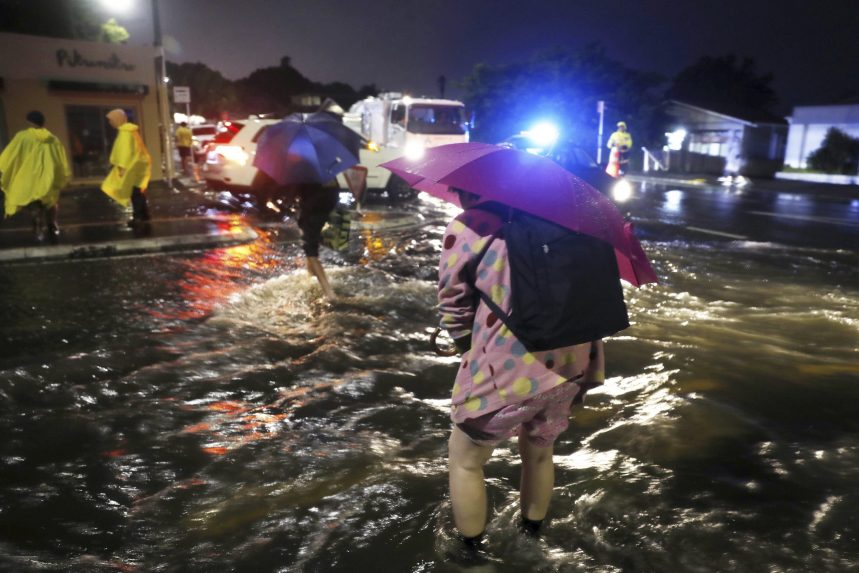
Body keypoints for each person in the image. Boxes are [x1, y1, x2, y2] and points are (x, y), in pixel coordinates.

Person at [438, 190, 607, 555]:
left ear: (472, 185)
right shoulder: (567, 222)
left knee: (465, 460)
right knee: (540, 451)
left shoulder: (471, 224)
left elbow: (453, 302)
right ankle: (531, 537)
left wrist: (466, 346)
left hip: (506, 367)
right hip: (568, 363)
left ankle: (471, 554)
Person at [0, 110, 70, 243]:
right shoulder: (53, 139)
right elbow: (59, 158)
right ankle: (52, 224)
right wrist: (61, 175)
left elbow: (11, 154)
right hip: (48, 177)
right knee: (51, 201)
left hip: (29, 178)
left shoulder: (22, 136)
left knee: (33, 203)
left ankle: (37, 226)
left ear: (29, 122)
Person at [101, 109, 152, 228]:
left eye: (111, 120)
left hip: (132, 167)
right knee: (137, 191)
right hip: (138, 165)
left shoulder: (125, 132)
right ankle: (144, 214)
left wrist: (122, 167)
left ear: (118, 119)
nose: (110, 123)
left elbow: (125, 151)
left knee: (134, 192)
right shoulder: (130, 131)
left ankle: (138, 217)